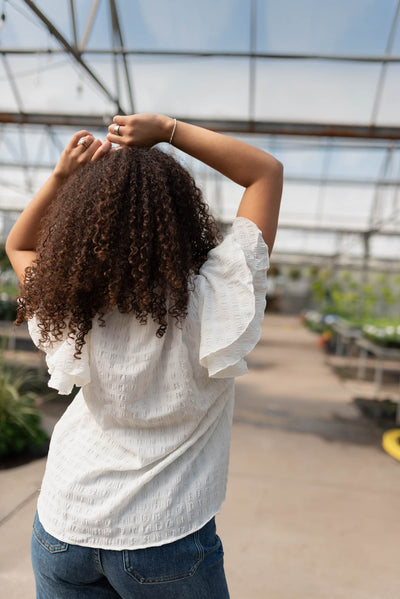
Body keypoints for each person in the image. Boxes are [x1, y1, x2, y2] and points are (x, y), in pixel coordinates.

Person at [6, 114, 283, 599]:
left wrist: (61, 176)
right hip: (164, 536)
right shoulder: (218, 297)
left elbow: (21, 243)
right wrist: (167, 129)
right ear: (181, 216)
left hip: (63, 524)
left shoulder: (71, 304)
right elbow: (265, 173)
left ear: (82, 222)